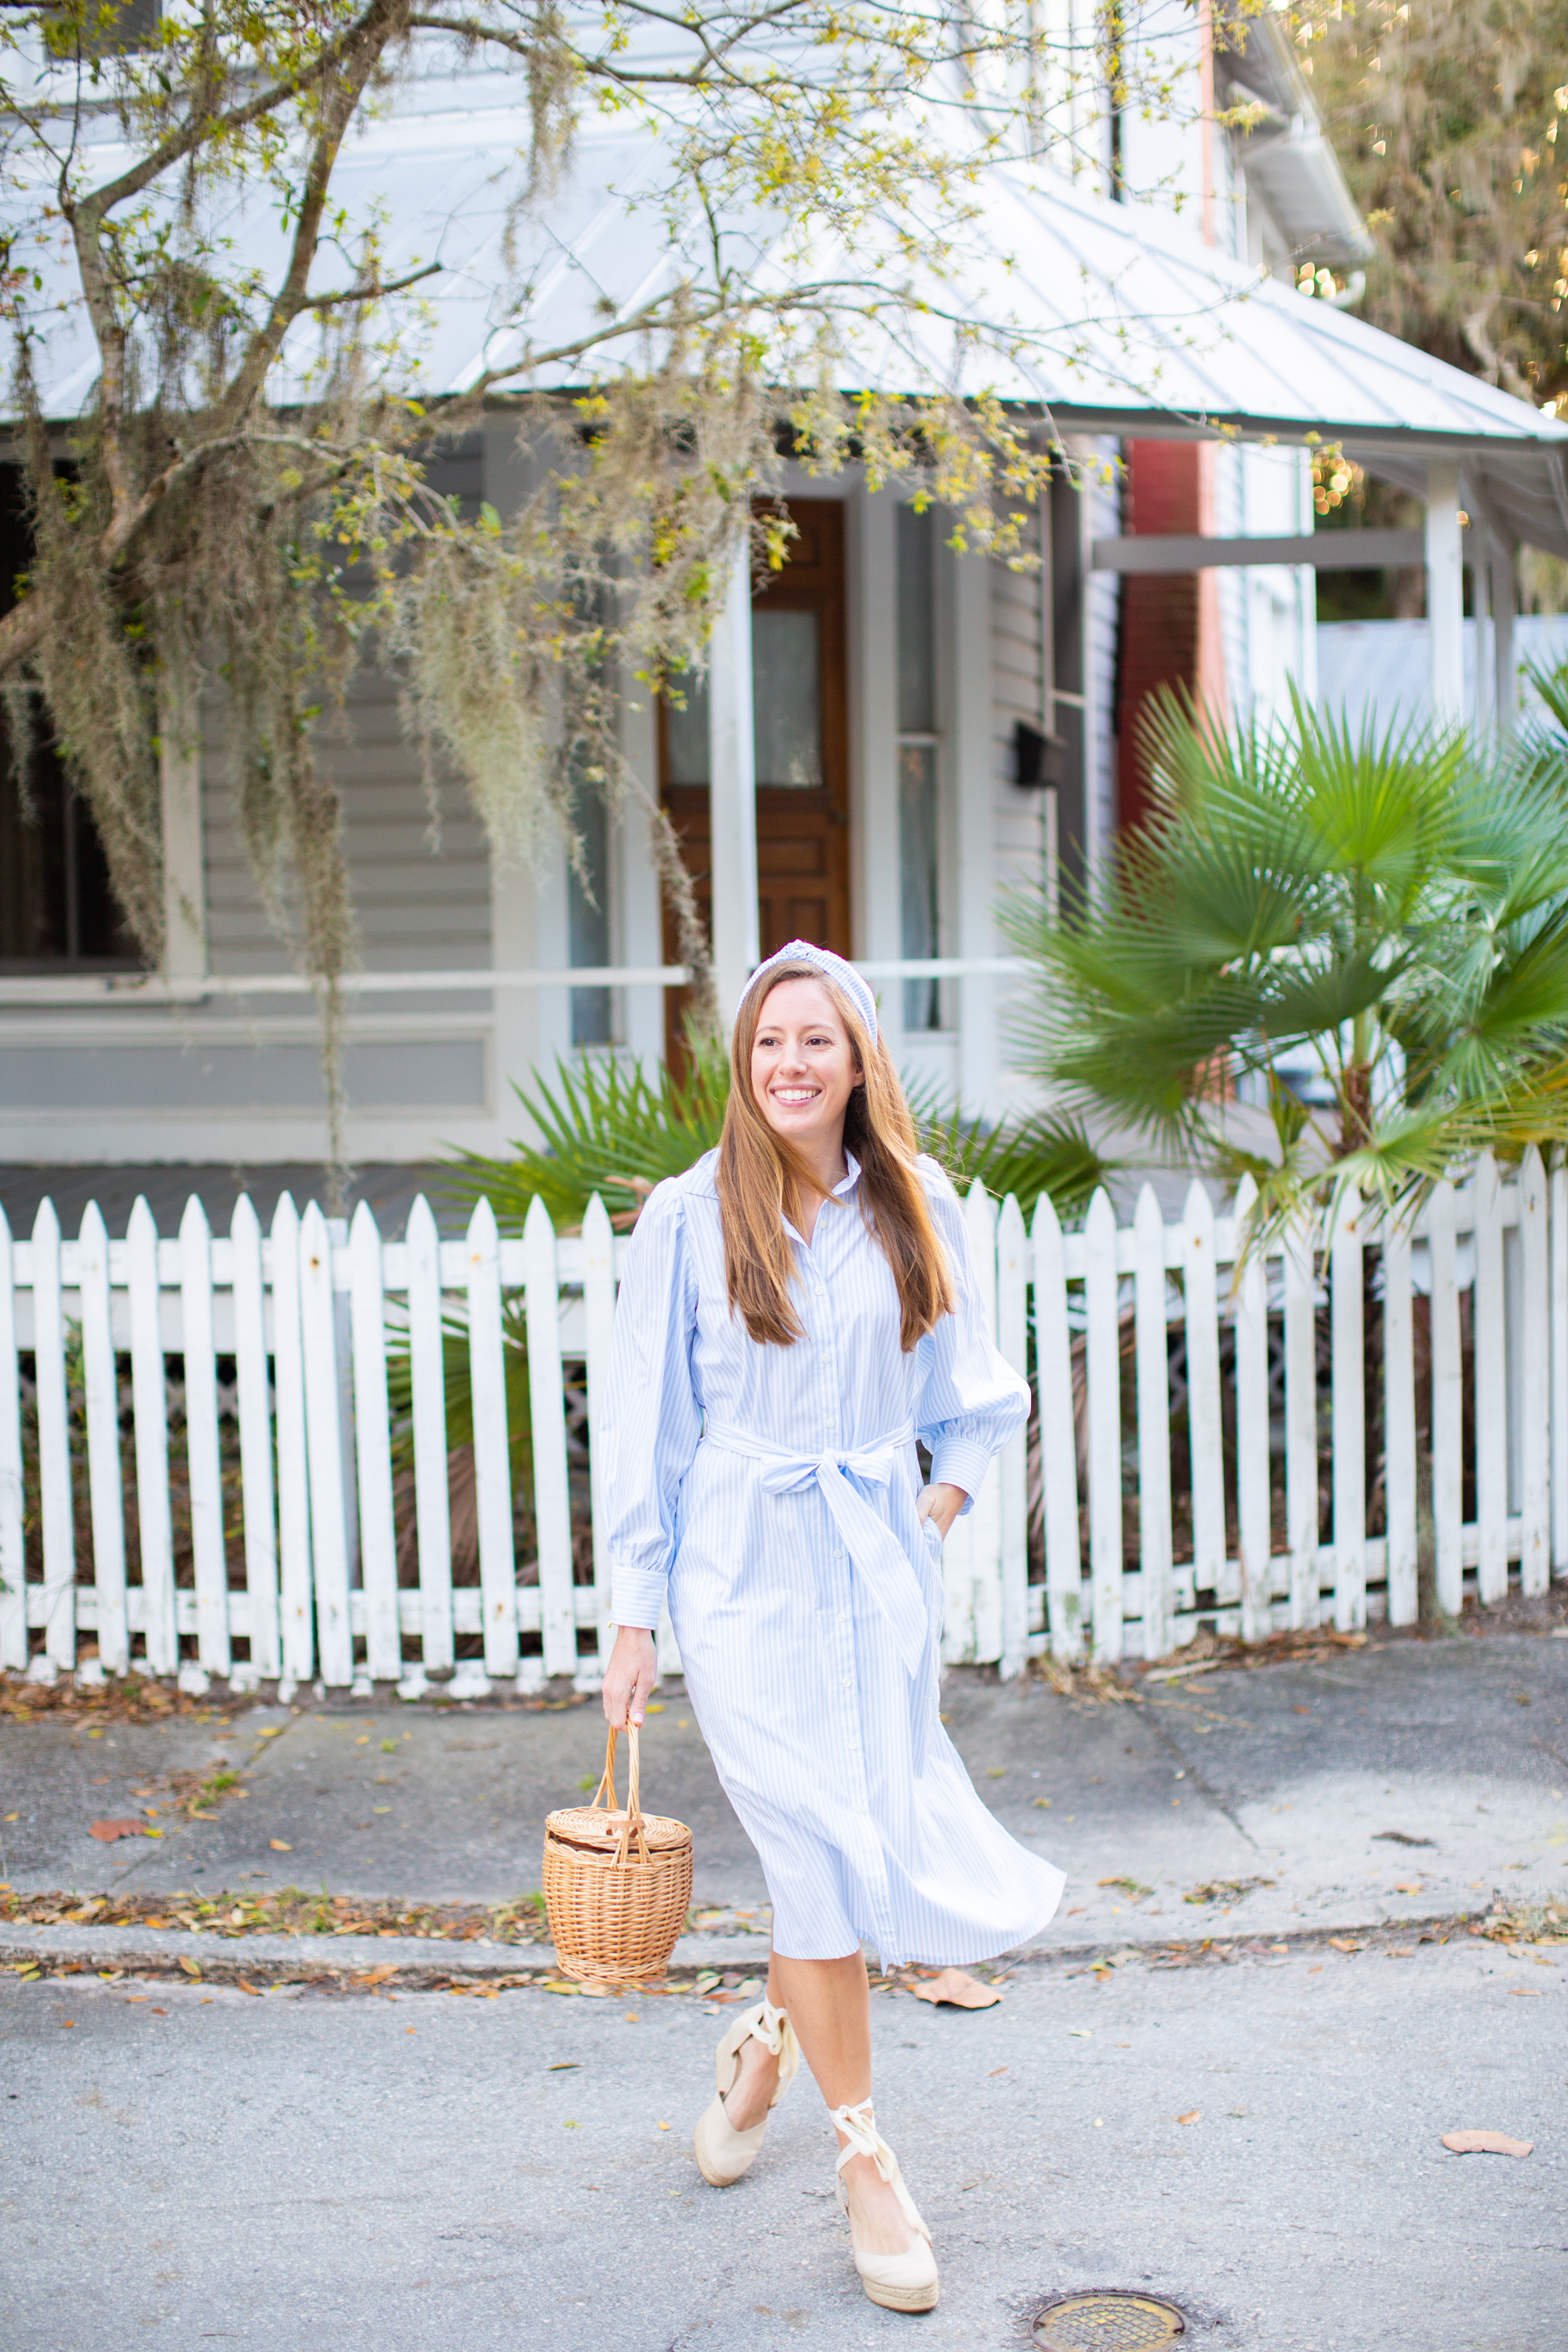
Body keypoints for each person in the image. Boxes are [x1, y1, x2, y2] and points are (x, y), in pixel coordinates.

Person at [600, 941, 1063, 2314]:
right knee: (809, 1843)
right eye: (767, 1044)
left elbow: (974, 1394)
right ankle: (868, 2164)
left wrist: (931, 1509)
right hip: (738, 1569)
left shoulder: (914, 1201)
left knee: (852, 1845)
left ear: (859, 1060)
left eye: (817, 1040)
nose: (790, 1064)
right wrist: (635, 1615)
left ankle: (766, 2048)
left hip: (873, 1563)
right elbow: (646, 1435)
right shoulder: (687, 1220)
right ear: (743, 1066)